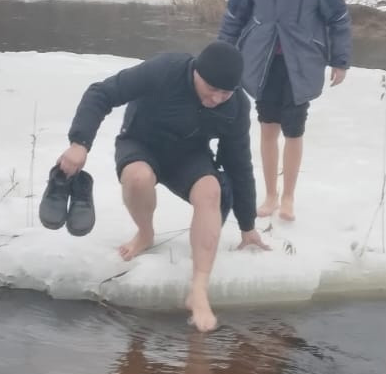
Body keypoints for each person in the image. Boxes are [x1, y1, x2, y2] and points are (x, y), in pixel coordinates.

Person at [55, 41, 270, 332]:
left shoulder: (236, 105)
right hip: (141, 144)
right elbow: (101, 93)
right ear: (197, 72)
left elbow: (238, 164)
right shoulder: (165, 70)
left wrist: (248, 226)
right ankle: (145, 233)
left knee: (211, 191)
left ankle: (199, 290)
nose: (218, 98)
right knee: (138, 178)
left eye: (226, 92)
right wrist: (80, 143)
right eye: (212, 88)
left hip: (189, 156)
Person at [218, 0, 352, 222]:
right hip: (260, 59)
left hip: (302, 60)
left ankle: (289, 196)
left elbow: (338, 18)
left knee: (293, 129)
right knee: (267, 126)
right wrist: (222, 56)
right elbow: (234, 16)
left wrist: (340, 60)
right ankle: (270, 194)